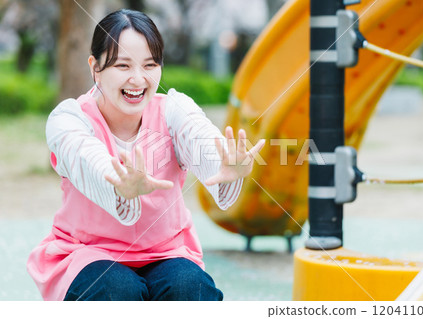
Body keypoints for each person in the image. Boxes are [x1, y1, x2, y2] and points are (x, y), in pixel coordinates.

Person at [27, 9, 265, 301]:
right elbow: (85, 157)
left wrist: (224, 165)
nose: (138, 79)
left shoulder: (174, 110)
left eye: (149, 65)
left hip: (166, 252)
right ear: (95, 68)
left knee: (191, 286)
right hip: (88, 253)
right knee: (117, 289)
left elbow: (200, 135)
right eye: (123, 66)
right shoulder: (69, 119)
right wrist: (119, 185)